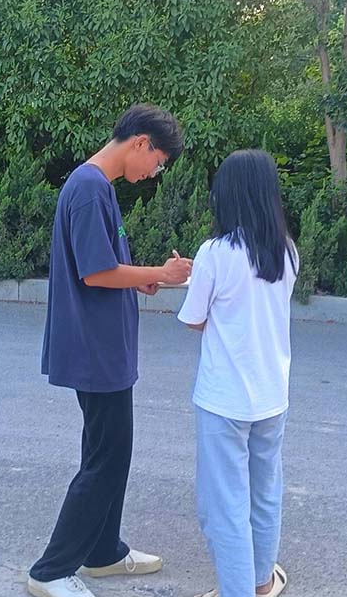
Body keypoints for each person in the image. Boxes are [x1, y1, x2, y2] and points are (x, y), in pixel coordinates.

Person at [28, 104, 192, 597]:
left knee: (110, 453)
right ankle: (50, 571)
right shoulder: (88, 188)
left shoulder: (98, 187)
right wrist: (160, 273)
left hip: (104, 348)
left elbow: (105, 267)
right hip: (94, 350)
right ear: (140, 142)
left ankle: (102, 552)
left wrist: (139, 280)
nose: (154, 173)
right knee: (106, 459)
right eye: (158, 162)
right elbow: (95, 272)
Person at [177, 149, 299, 597]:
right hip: (272, 395)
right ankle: (262, 582)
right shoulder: (287, 252)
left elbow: (194, 320)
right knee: (264, 493)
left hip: (224, 398)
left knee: (224, 506)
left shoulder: (214, 252)